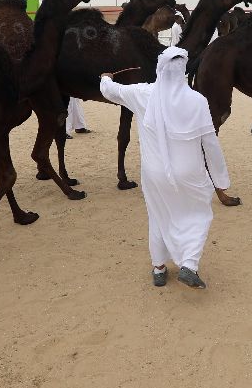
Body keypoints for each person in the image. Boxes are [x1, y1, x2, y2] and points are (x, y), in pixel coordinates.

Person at [99, 46, 231, 289]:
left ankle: (159, 269)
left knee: (158, 216)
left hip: (154, 173)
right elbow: (210, 142)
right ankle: (189, 264)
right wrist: (221, 179)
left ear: (159, 68)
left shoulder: (142, 93)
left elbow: (110, 91)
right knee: (198, 215)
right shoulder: (198, 100)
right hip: (190, 173)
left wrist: (106, 78)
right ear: (183, 71)